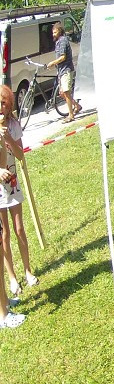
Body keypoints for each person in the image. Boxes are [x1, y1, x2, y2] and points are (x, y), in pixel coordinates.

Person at [0, 86, 38, 296]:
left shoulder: (13, 125)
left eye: (4, 103)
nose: (0, 107)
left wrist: (9, 139)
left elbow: (21, 155)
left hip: (13, 184)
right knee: (4, 233)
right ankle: (12, 278)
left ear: (9, 105)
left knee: (19, 228)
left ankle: (28, 271)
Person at [47, 22, 81, 123]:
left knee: (66, 92)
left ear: (60, 31)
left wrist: (52, 63)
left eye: (55, 32)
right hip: (61, 71)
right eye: (52, 32)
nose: (53, 34)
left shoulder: (62, 41)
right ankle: (77, 106)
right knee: (62, 93)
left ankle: (71, 115)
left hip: (66, 70)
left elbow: (63, 57)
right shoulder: (58, 42)